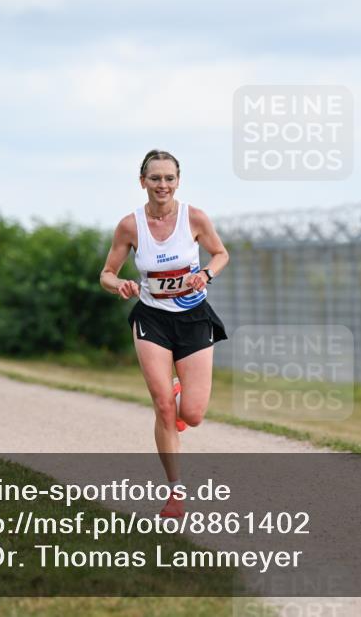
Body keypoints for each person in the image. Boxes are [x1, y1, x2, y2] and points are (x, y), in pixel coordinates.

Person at [100, 149, 230, 518]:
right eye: (155, 178)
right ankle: (175, 493)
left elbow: (221, 254)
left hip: (193, 318)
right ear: (142, 181)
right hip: (152, 319)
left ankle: (178, 393)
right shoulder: (130, 226)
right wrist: (120, 285)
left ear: (178, 181)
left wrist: (205, 274)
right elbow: (106, 273)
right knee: (162, 407)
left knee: (193, 414)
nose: (162, 185)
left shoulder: (194, 218)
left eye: (169, 178)